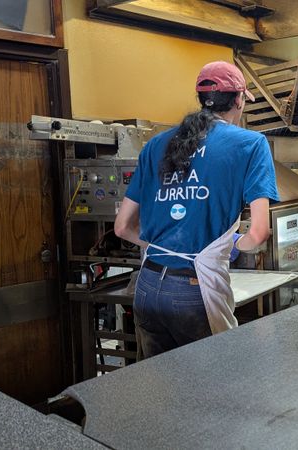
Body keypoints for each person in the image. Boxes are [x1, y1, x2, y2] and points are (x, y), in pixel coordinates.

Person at [115, 61, 279, 358]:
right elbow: (258, 232)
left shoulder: (154, 145)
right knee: (210, 387)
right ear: (239, 100)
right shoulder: (252, 144)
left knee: (162, 388)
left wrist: (166, 247)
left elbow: (122, 227)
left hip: (148, 287)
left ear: (201, 98)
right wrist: (231, 245)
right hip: (195, 290)